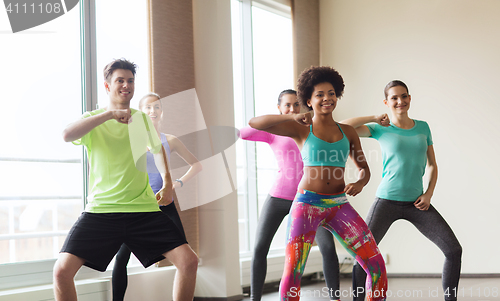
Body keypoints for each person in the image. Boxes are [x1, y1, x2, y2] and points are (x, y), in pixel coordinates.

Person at [54, 58, 198, 301]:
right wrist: (109, 115)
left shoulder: (141, 119)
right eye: (120, 80)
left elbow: (157, 150)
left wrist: (167, 181)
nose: (126, 85)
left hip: (142, 210)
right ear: (108, 86)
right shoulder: (94, 119)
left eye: (130, 80)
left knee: (189, 262)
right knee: (61, 272)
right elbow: (68, 135)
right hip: (102, 210)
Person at [249, 66, 387, 301]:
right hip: (306, 205)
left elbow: (365, 170)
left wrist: (360, 182)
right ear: (309, 100)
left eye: (331, 93)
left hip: (339, 205)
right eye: (320, 94)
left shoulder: (348, 131)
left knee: (377, 266)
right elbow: (255, 123)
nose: (327, 99)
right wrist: (291, 116)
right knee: (293, 272)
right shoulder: (301, 128)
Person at [342, 80, 462, 301]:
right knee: (362, 254)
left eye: (404, 96)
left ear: (409, 98)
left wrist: (428, 194)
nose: (400, 101)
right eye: (394, 98)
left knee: (453, 250)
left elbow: (432, 165)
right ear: (386, 102)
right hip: (386, 201)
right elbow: (342, 126)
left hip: (417, 202)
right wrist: (373, 118)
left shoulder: (423, 127)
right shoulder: (380, 129)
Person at [240, 89, 340, 301]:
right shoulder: (275, 131)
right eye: (288, 105)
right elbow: (245, 131)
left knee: (328, 248)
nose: (293, 109)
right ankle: (255, 298)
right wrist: (287, 118)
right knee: (259, 247)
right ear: (280, 108)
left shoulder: (314, 128)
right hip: (279, 197)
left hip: (312, 198)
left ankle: (335, 297)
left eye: (296, 105)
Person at [112, 92, 203, 301]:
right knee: (121, 258)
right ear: (140, 112)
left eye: (157, 107)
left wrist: (176, 183)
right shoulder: (130, 139)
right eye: (148, 108)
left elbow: (197, 165)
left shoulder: (169, 140)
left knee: (186, 258)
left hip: (164, 204)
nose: (153, 111)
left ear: (162, 112)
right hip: (137, 205)